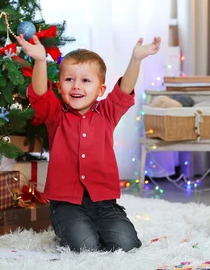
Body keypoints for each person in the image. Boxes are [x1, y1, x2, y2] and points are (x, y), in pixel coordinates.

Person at [17, 34, 161, 252]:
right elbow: (39, 94)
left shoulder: (107, 113)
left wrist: (136, 59)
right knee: (85, 246)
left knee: (127, 245)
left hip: (104, 203)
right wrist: (39, 60)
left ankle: (104, 223)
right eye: (69, 80)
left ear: (100, 90)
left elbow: (124, 90)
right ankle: (68, 225)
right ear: (59, 86)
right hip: (67, 204)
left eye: (85, 80)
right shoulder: (55, 115)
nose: (76, 86)